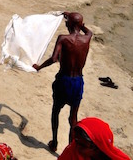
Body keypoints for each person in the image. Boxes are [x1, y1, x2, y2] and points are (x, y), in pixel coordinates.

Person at [33, 12, 93, 152]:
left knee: (56, 111)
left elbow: (54, 59)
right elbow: (89, 31)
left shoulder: (63, 39)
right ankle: (70, 149)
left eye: (67, 22)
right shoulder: (87, 39)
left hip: (63, 80)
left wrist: (39, 67)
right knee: (73, 118)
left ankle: (54, 142)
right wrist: (78, 23)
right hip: (78, 82)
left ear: (69, 24)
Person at [58, 117, 130, 160]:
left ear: (95, 147)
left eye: (82, 145)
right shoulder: (71, 153)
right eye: (76, 140)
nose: (76, 146)